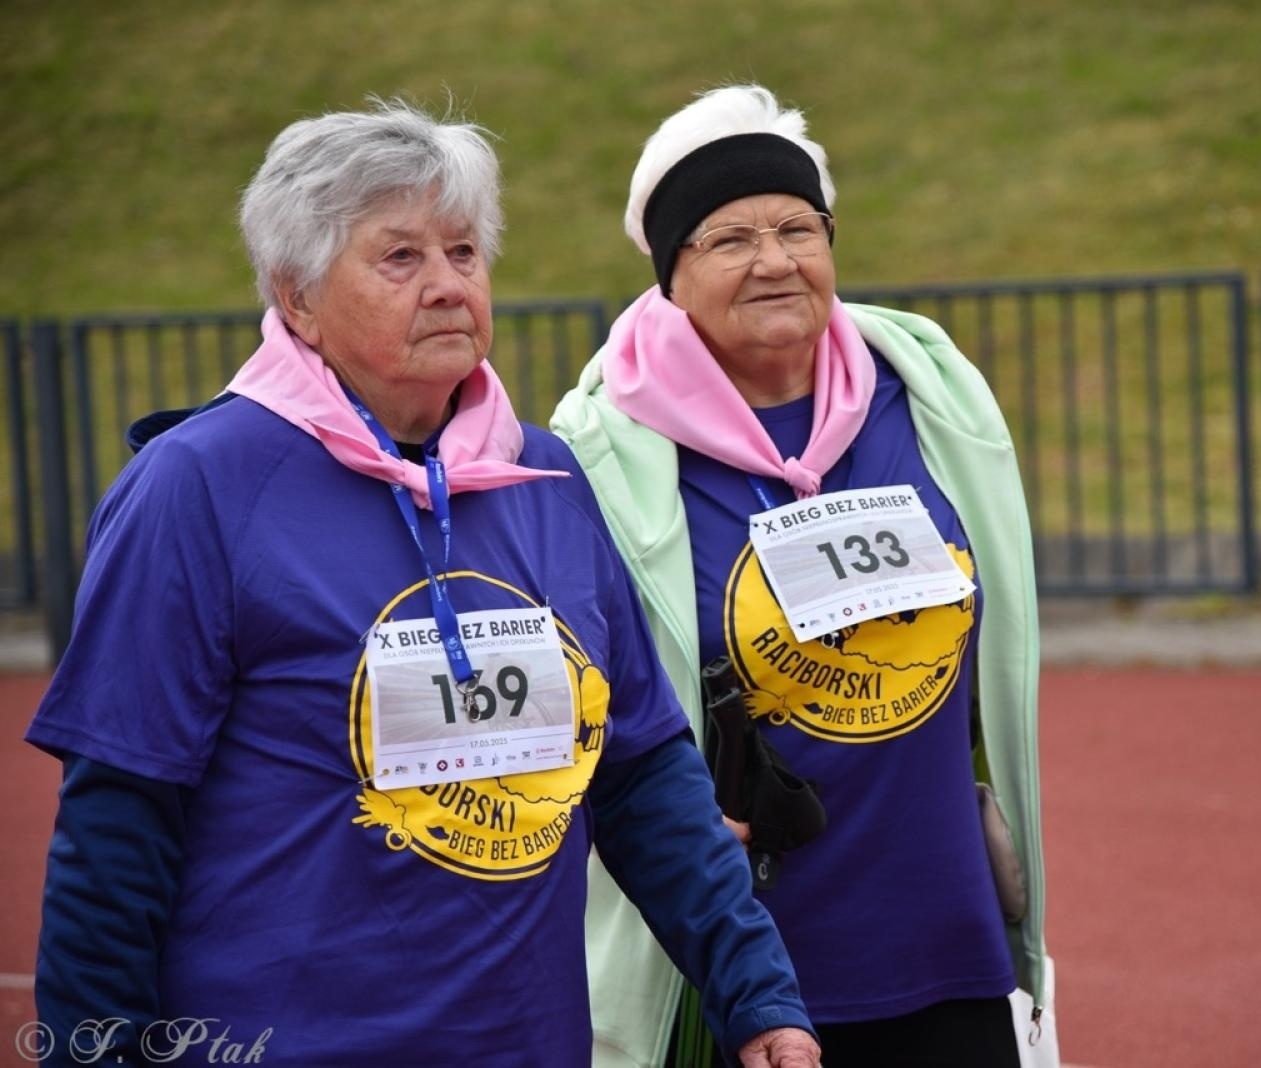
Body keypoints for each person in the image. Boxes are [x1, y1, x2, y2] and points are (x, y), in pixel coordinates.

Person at [25, 99, 820, 1068]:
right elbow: (117, 829)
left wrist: (755, 991)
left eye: (463, 253)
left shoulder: (546, 481)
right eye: (400, 258)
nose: (447, 285)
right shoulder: (197, 489)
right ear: (297, 295)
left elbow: (643, 773)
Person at [551, 84, 1054, 1068]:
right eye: (729, 237)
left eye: (798, 226)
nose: (775, 260)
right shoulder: (603, 453)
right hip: (735, 977)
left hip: (946, 946)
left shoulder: (924, 394)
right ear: (669, 274)